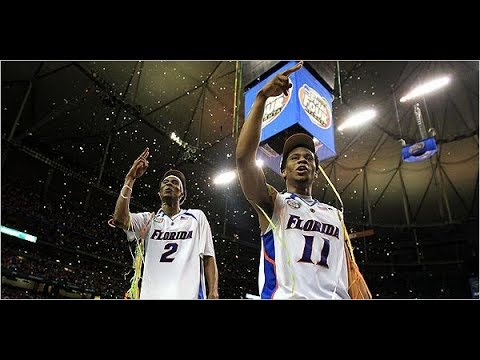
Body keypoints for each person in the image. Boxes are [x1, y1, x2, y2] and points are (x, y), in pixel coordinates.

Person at [236, 61, 366, 299]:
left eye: (308, 157)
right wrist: (261, 98)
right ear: (283, 170)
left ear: (316, 171)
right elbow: (244, 159)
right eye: (294, 157)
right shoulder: (273, 203)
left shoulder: (335, 214)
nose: (302, 160)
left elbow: (350, 273)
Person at [112, 147, 219, 299]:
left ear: (182, 193)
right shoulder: (148, 220)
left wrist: (213, 292)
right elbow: (119, 219)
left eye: (175, 182)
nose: (169, 184)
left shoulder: (197, 217)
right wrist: (130, 179)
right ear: (159, 193)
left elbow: (209, 257)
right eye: (165, 182)